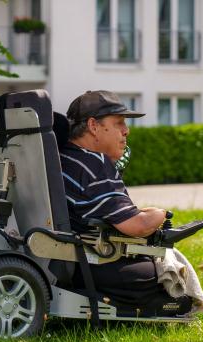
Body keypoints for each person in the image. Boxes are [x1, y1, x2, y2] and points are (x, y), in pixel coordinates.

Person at [60, 90, 192, 314]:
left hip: (64, 259)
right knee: (168, 280)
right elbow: (137, 226)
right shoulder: (95, 163)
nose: (126, 131)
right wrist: (161, 214)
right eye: (119, 123)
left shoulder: (64, 156)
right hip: (91, 262)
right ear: (93, 126)